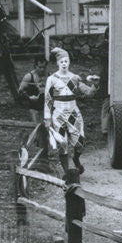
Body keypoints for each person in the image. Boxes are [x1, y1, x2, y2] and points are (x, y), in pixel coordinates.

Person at [44, 47, 99, 177]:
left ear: (69, 62)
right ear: (57, 63)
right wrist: (47, 117)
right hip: (58, 113)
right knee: (62, 143)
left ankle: (76, 159)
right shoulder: (51, 79)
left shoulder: (75, 78)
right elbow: (47, 100)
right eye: (61, 61)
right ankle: (67, 172)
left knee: (80, 142)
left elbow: (88, 93)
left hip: (73, 112)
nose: (64, 63)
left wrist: (95, 85)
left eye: (66, 61)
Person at [18, 53, 49, 123]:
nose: (42, 69)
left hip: (46, 106)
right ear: (35, 66)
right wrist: (29, 97)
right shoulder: (29, 76)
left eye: (44, 67)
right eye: (40, 67)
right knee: (36, 126)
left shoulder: (50, 76)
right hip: (34, 107)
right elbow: (20, 92)